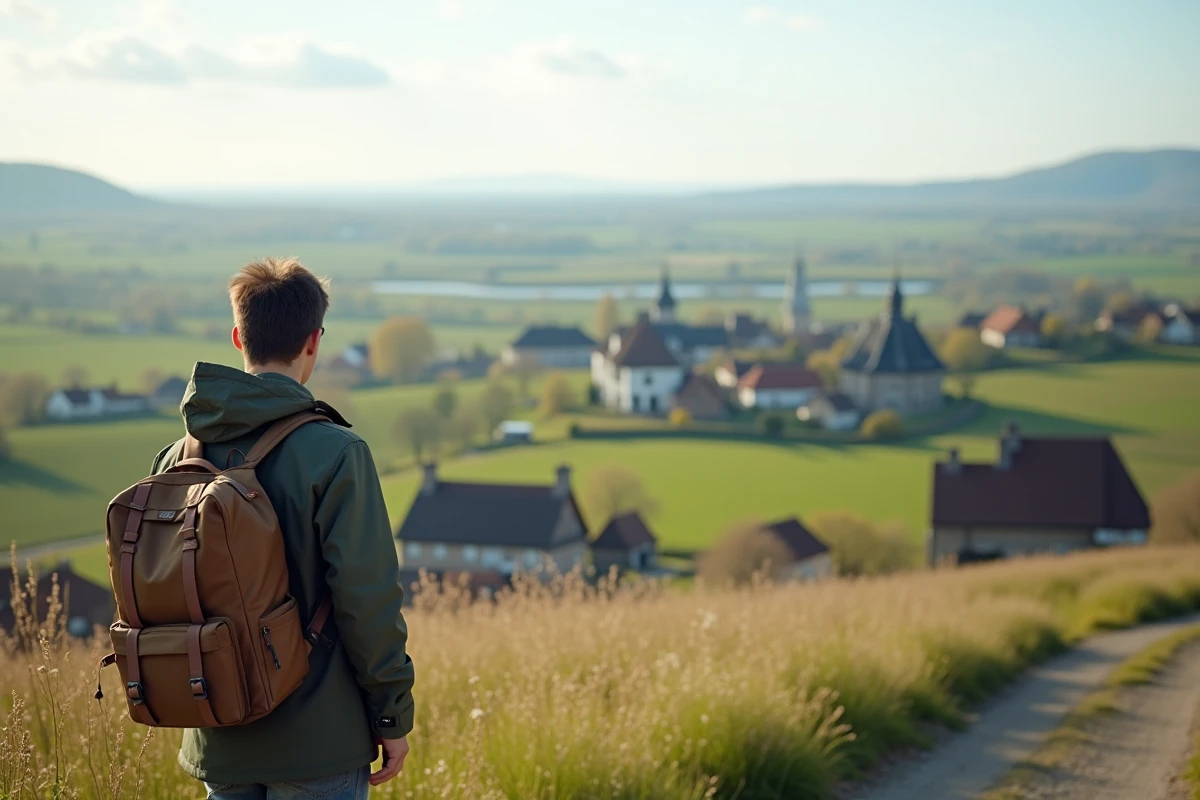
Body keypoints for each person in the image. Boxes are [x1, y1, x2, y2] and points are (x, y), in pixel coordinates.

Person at [151, 257, 414, 800]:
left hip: (218, 731)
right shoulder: (337, 453)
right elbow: (367, 600)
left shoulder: (178, 458)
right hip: (321, 739)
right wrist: (392, 717)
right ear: (313, 341)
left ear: (236, 337)